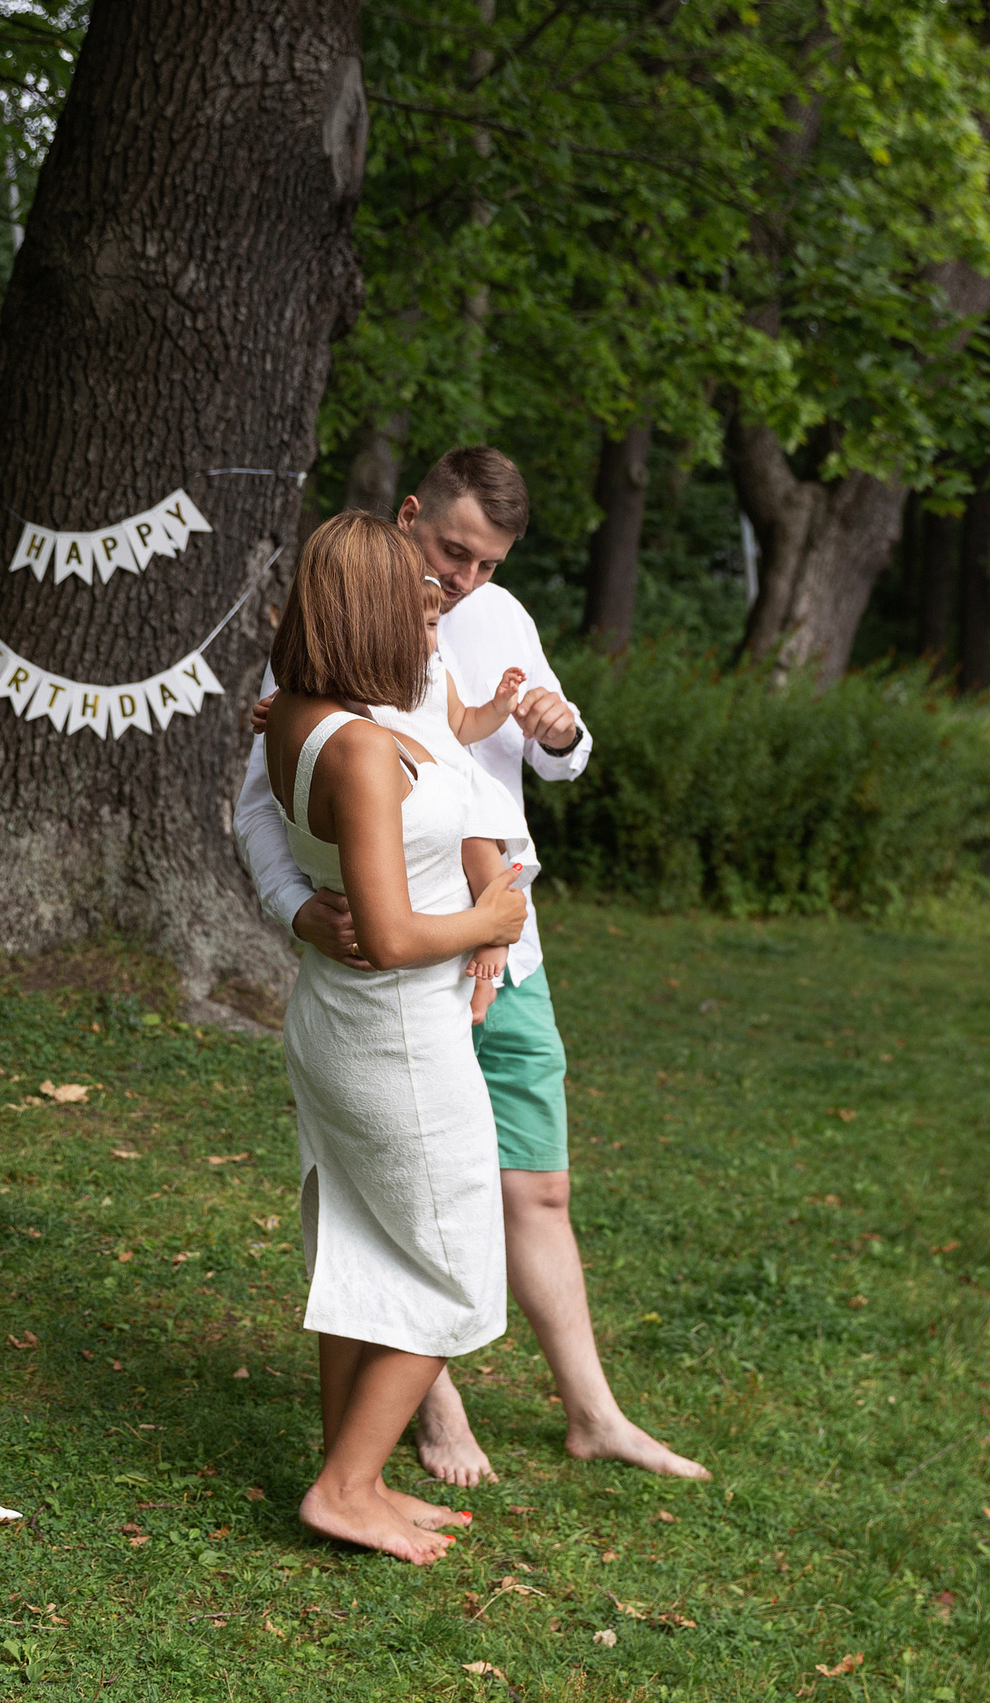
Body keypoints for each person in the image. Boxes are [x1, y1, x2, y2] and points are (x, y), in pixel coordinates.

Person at [235, 445, 709, 1485]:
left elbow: (516, 759)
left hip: (499, 950)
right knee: (413, 1212)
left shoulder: (487, 621)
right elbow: (271, 796)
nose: (462, 583)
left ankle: (592, 1414)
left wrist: (558, 730)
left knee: (527, 1188)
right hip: (402, 974)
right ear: (410, 519)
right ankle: (419, 1428)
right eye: (452, 555)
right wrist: (297, 909)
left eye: (486, 565)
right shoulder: (346, 618)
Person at [261, 512, 528, 1565]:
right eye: (414, 598)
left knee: (364, 1250)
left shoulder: (300, 715)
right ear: (369, 611)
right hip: (394, 1042)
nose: (434, 612)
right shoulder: (363, 748)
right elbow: (391, 934)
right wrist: (492, 920)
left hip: (337, 1021)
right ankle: (342, 1488)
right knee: (462, 1266)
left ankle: (355, 1476)